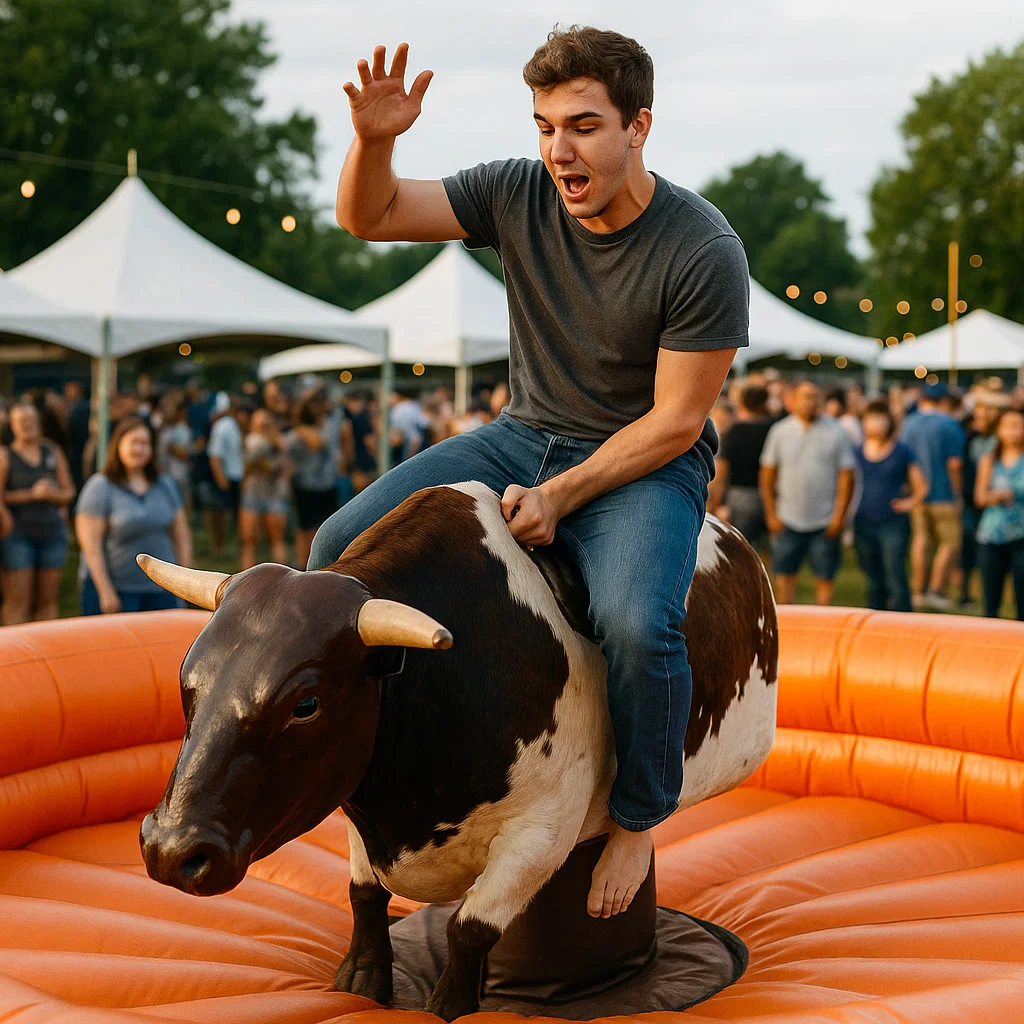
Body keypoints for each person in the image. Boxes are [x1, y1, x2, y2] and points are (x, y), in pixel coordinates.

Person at [314, 27, 749, 918]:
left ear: (640, 127)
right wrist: (374, 140)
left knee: (635, 623)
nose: (561, 149)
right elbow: (370, 216)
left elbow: (676, 421)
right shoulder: (517, 190)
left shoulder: (703, 248)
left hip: (642, 464)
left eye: (585, 126)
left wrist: (563, 494)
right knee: (335, 547)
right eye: (547, 124)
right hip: (520, 433)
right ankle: (390, 764)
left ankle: (637, 812)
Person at [75, 416, 192, 615]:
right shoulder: (100, 486)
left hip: (162, 590)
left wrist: (186, 585)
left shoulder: (165, 485)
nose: (138, 449)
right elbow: (91, 547)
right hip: (118, 591)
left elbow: (181, 536)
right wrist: (105, 591)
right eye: (133, 442)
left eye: (144, 443)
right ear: (118, 445)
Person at [759, 381, 855, 606]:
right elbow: (767, 476)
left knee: (824, 576)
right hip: (788, 517)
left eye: (814, 397)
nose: (810, 402)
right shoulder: (780, 431)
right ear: (793, 400)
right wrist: (771, 514)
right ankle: (787, 624)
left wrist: (839, 516)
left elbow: (847, 477)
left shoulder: (836, 431)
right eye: (805, 397)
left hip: (824, 519)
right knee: (784, 575)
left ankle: (823, 622)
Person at [0, 402, 75, 624]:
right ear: (12, 426)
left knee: (48, 601)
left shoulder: (51, 451)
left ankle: (44, 651)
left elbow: (69, 491)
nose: (28, 425)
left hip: (52, 533)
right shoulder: (5, 456)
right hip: (18, 536)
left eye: (31, 419)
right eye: (22, 421)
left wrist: (50, 494)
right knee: (17, 599)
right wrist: (32, 495)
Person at [852, 401, 928, 611]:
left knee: (895, 574)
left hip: (892, 522)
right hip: (863, 521)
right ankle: (876, 617)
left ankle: (901, 618)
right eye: (871, 419)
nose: (876, 425)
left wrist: (908, 503)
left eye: (880, 419)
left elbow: (921, 485)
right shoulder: (856, 452)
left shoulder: (902, 451)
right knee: (872, 577)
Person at [900, 382, 965, 610]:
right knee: (949, 543)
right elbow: (954, 464)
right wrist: (958, 494)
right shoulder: (949, 424)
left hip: (917, 495)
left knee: (920, 542)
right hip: (943, 493)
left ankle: (917, 591)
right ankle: (936, 590)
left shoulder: (907, 424)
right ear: (943, 401)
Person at [973, 408, 1024, 620]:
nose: (1014, 431)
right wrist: (998, 496)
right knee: (990, 599)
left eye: (1019, 426)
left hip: (1021, 536)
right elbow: (979, 497)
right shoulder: (989, 459)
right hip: (992, 535)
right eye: (1009, 426)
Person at [709, 382, 772, 548]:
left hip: (738, 497)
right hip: (769, 496)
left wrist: (716, 503)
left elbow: (722, 471)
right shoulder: (773, 430)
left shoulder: (733, 433)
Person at [288, 394, 341, 569]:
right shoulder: (299, 434)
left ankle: (319, 565)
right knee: (307, 528)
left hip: (324, 484)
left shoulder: (323, 426)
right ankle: (306, 565)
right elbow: (317, 444)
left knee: (324, 528)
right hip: (307, 486)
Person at [239, 408, 291, 569]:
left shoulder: (279, 442)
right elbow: (245, 469)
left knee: (276, 540)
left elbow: (283, 468)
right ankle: (245, 586)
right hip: (253, 493)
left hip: (273, 493)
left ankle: (282, 585)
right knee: (249, 541)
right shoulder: (250, 442)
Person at [205, 398, 249, 557]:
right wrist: (221, 479)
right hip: (225, 477)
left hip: (238, 477)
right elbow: (215, 455)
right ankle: (219, 548)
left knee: (237, 514)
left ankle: (237, 545)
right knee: (218, 514)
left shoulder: (240, 427)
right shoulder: (223, 427)